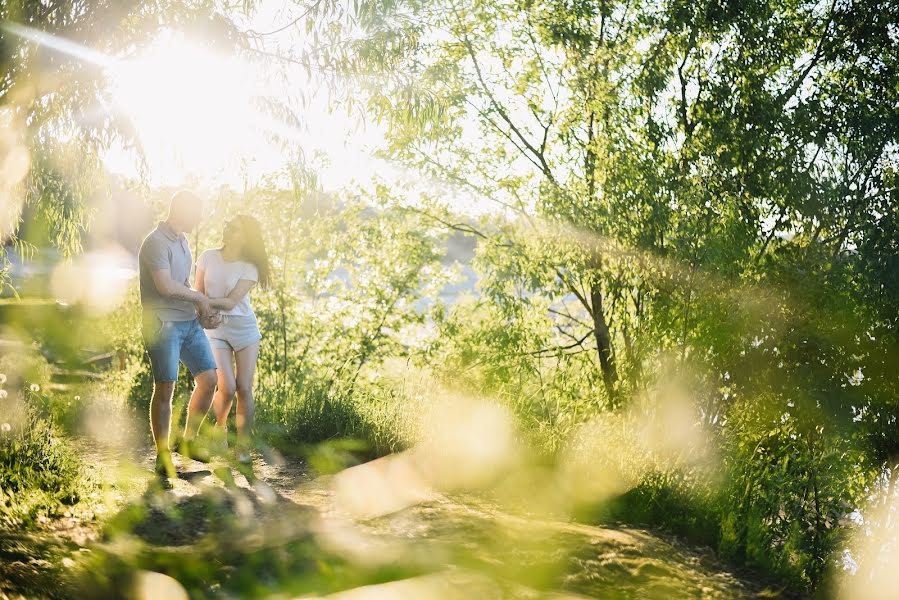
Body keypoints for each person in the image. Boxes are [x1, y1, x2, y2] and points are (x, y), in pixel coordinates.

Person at [138, 190, 221, 483]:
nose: (199, 219)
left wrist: (200, 309)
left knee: (210, 379)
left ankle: (187, 441)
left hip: (188, 323)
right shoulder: (154, 243)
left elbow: (181, 283)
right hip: (162, 323)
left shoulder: (183, 241)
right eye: (195, 213)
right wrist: (198, 297)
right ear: (181, 211)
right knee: (165, 388)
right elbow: (164, 286)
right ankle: (162, 458)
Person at [195, 215, 269, 464]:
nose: (227, 229)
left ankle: (244, 447)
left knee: (243, 388)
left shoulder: (249, 267)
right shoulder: (208, 256)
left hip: (243, 329)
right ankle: (220, 431)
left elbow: (230, 302)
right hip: (215, 329)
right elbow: (198, 293)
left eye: (234, 228)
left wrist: (206, 304)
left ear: (245, 236)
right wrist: (203, 312)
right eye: (226, 224)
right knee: (225, 387)